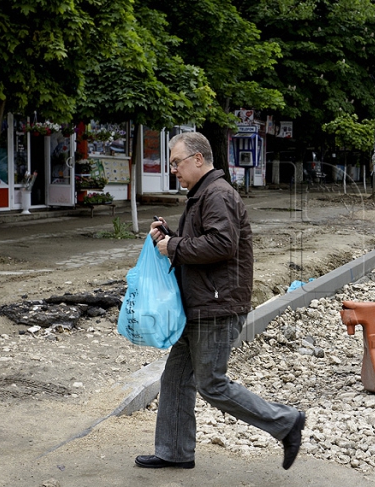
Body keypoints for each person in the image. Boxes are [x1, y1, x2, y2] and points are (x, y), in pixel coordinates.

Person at [136, 132, 305, 471]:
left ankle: (286, 422)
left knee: (211, 384)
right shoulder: (203, 194)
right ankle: (174, 451)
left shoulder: (217, 194)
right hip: (201, 303)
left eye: (176, 163)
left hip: (217, 305)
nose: (173, 170)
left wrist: (175, 247)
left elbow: (222, 245)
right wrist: (171, 237)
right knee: (175, 378)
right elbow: (203, 240)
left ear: (198, 159)